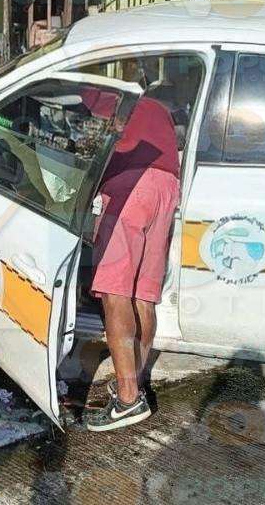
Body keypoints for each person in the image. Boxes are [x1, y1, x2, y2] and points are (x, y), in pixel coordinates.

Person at [82, 60, 181, 432]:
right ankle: (132, 382)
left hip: (131, 187)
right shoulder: (159, 112)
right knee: (142, 295)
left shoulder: (112, 99)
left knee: (114, 293)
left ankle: (127, 400)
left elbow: (86, 107)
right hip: (166, 189)